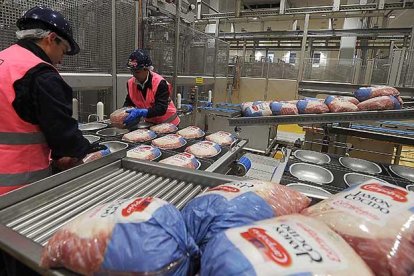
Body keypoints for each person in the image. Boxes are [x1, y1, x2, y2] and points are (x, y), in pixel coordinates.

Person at [0, 6, 109, 196]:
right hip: (18, 189)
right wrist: (83, 148)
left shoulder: (5, 60)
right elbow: (63, 135)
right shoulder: (40, 74)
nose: (61, 60)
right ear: (51, 38)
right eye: (64, 50)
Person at [123, 49, 180, 127]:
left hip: (168, 123)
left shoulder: (160, 83)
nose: (134, 75)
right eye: (132, 71)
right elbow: (129, 102)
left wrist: (142, 112)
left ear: (147, 69)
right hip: (151, 124)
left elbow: (161, 108)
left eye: (137, 72)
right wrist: (124, 113)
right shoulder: (130, 83)